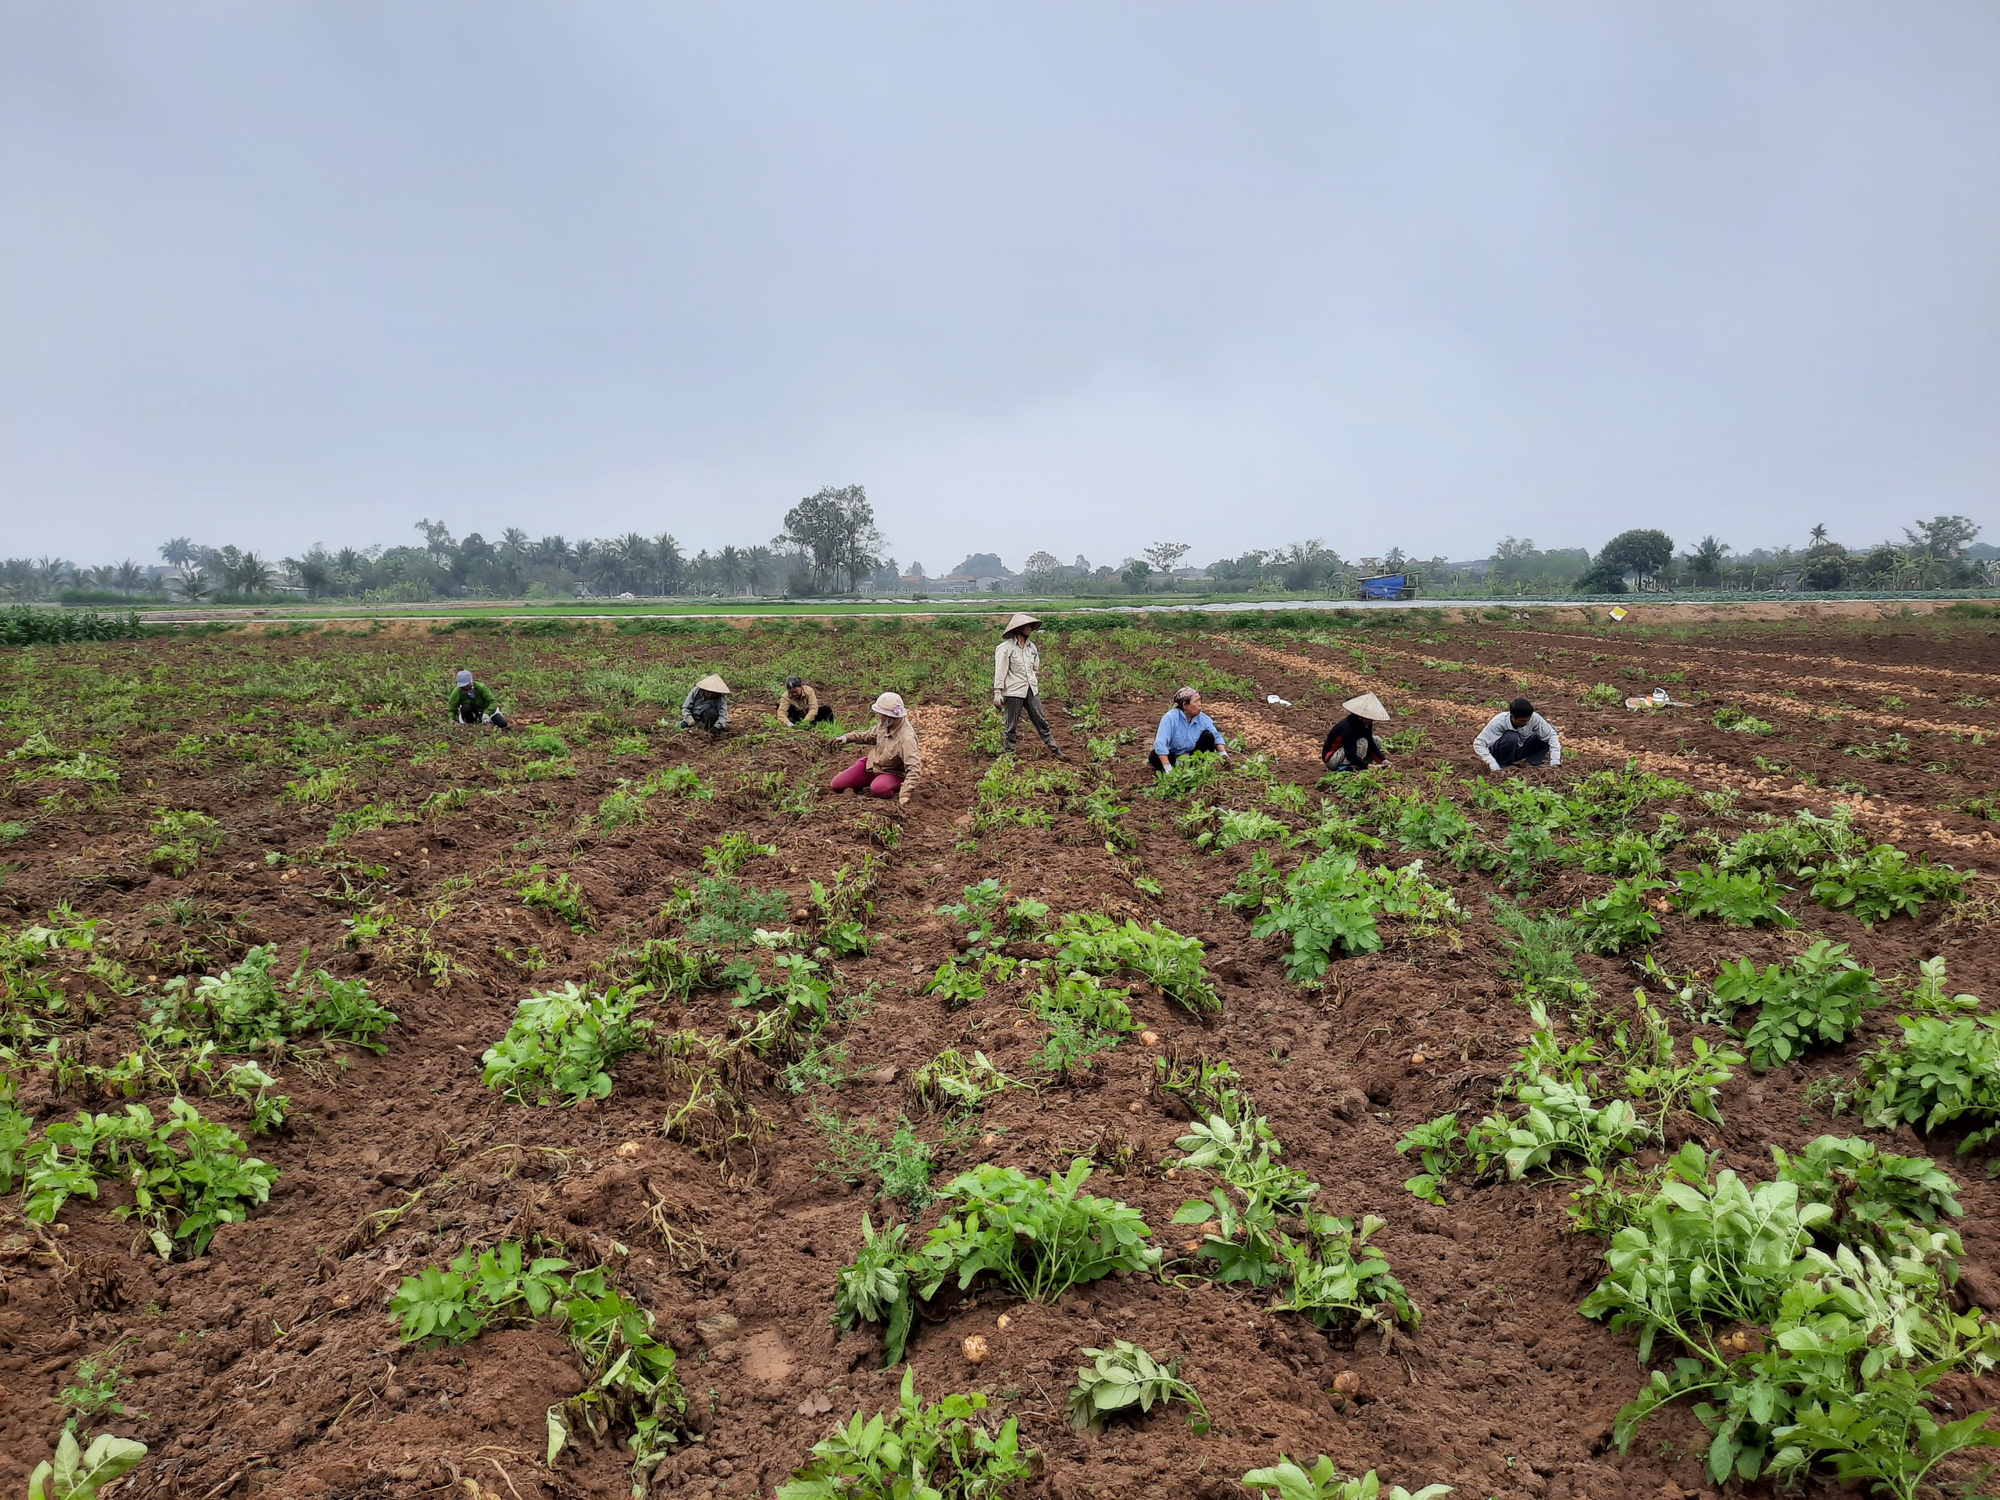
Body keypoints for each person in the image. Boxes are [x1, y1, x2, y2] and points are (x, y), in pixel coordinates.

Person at [992, 612, 1066, 759]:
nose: (1029, 629)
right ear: (1018, 628)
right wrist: (997, 692)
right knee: (1011, 725)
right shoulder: (1005, 648)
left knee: (1041, 720)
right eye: (1026, 626)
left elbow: (1035, 667)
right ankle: (1009, 755)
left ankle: (1055, 749)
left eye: (1030, 626)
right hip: (1013, 691)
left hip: (1031, 690)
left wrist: (1032, 680)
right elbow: (1000, 670)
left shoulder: (1031, 648)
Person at [828, 692, 921, 806]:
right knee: (837, 785)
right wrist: (846, 738)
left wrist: (905, 794)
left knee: (880, 789)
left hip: (893, 773)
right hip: (873, 765)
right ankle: (871, 780)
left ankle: (885, 783)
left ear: (890, 717)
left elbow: (914, 768)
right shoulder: (885, 724)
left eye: (881, 714)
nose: (879, 717)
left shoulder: (907, 739)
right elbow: (868, 735)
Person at [1149, 686, 1226, 772]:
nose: (1199, 704)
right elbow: (1160, 744)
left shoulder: (1202, 718)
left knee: (1208, 736)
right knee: (1154, 756)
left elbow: (1216, 735)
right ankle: (1173, 767)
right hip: (1172, 756)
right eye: (1196, 702)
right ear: (1185, 705)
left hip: (1192, 756)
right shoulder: (1170, 718)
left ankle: (1197, 765)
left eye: (1200, 700)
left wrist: (1223, 755)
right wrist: (1167, 767)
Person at [1476, 697, 1562, 773]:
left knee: (1552, 730)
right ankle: (1503, 765)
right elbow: (1479, 743)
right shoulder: (1499, 722)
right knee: (1511, 736)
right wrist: (1492, 764)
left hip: (1519, 749)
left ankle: (1530, 763)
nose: (1527, 723)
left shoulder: (1534, 718)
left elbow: (1551, 736)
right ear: (1513, 716)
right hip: (1500, 752)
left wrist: (1555, 761)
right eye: (1523, 721)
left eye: (1528, 720)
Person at [1320, 693, 1389, 773]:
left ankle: (1362, 764)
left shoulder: (1366, 724)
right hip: (1332, 759)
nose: (1371, 721)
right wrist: (1367, 766)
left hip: (1349, 752)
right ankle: (1349, 768)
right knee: (1362, 742)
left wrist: (1383, 760)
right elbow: (1350, 754)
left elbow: (1371, 743)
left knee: (1377, 740)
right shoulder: (1348, 727)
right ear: (1361, 717)